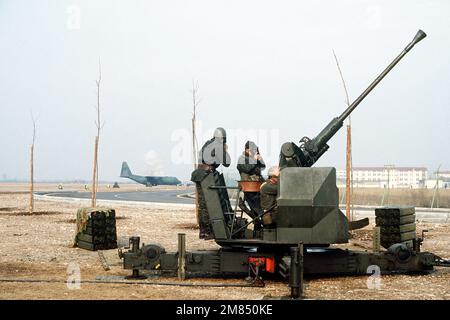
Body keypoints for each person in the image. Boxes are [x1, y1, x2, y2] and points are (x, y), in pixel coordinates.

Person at [191, 127, 231, 239]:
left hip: (200, 173)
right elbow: (227, 162)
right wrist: (225, 149)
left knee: (203, 204)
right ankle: (208, 230)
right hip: (207, 175)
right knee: (210, 204)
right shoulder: (218, 145)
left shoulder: (208, 143)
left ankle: (204, 230)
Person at [237, 141, 266, 224]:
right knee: (256, 206)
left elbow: (263, 167)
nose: (253, 152)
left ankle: (259, 224)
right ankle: (259, 222)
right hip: (249, 186)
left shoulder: (253, 158)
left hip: (257, 186)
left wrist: (260, 159)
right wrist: (254, 160)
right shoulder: (242, 158)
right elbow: (246, 169)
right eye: (251, 150)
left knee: (259, 206)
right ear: (247, 150)